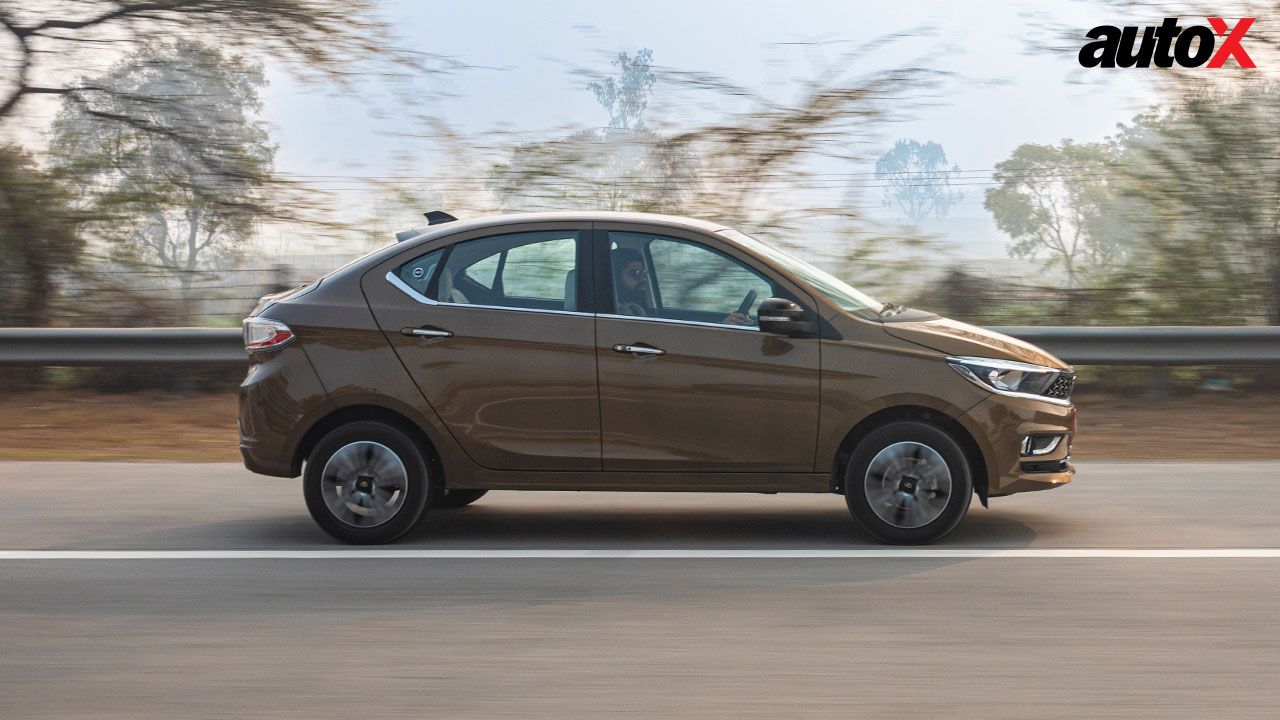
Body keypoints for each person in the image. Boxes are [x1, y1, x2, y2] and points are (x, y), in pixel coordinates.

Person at [611, 247, 752, 325]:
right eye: (635, 273)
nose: (642, 279)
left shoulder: (636, 306)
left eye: (643, 272)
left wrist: (723, 325)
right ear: (615, 277)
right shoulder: (621, 312)